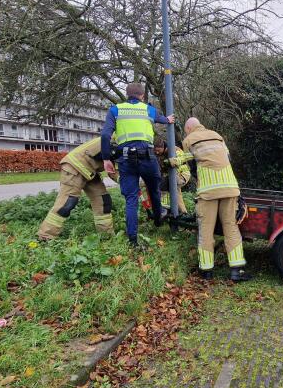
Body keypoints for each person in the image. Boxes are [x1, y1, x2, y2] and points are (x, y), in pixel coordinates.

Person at [168, 117, 252, 282]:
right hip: (230, 188)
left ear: (188, 129)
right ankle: (237, 271)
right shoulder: (217, 135)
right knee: (231, 229)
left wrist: (171, 162)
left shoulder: (189, 139)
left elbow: (187, 161)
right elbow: (228, 159)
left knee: (206, 230)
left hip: (208, 191)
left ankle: (206, 272)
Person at [100, 83, 175, 248]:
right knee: (154, 189)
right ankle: (158, 218)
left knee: (131, 199)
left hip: (126, 160)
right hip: (148, 157)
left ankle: (132, 240)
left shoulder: (115, 110)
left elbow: (105, 135)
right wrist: (168, 120)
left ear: (127, 95)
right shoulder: (147, 109)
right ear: (142, 96)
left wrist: (107, 159)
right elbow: (163, 119)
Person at [37, 136, 117, 241]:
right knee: (67, 203)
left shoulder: (121, 140)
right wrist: (132, 185)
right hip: (74, 167)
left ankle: (106, 235)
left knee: (103, 201)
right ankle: (45, 236)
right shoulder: (119, 143)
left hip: (90, 171)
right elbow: (114, 172)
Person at [154, 138, 191, 215]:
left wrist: (172, 161)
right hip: (171, 177)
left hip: (182, 175)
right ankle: (179, 212)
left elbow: (184, 158)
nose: (157, 152)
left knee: (170, 184)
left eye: (158, 150)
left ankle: (174, 210)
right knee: (164, 186)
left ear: (163, 147)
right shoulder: (157, 154)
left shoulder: (174, 149)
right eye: (155, 150)